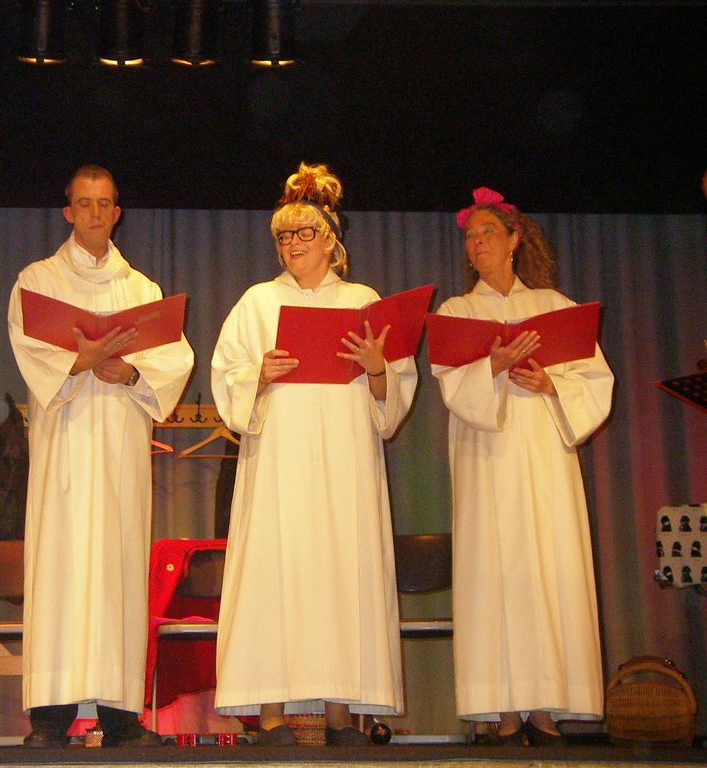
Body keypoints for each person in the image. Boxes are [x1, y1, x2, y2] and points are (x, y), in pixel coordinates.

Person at [210, 163, 417, 746]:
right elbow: (227, 377)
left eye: (304, 233)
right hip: (279, 463)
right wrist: (259, 375)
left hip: (344, 463)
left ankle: (339, 716)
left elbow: (395, 388)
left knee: (341, 576)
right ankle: (272, 715)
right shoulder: (257, 303)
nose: (293, 244)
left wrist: (376, 370)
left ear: (330, 240)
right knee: (275, 576)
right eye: (284, 236)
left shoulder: (363, 301)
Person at [7, 165, 194, 748]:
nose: (94, 213)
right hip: (64, 446)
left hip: (118, 447)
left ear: (117, 212)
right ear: (68, 211)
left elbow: (173, 359)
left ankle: (119, 715)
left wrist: (131, 372)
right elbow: (30, 351)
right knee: (59, 569)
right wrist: (81, 362)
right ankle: (50, 716)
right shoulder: (38, 281)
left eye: (104, 203)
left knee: (118, 569)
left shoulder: (141, 290)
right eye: (84, 203)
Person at [431, 187, 614, 745]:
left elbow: (594, 382)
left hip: (542, 456)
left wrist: (550, 383)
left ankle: (545, 708)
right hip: (487, 457)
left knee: (546, 568)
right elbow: (452, 389)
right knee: (495, 572)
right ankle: (503, 711)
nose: (477, 243)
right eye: (470, 237)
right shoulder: (457, 311)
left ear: (514, 239)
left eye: (487, 232)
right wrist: (492, 366)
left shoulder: (554, 306)